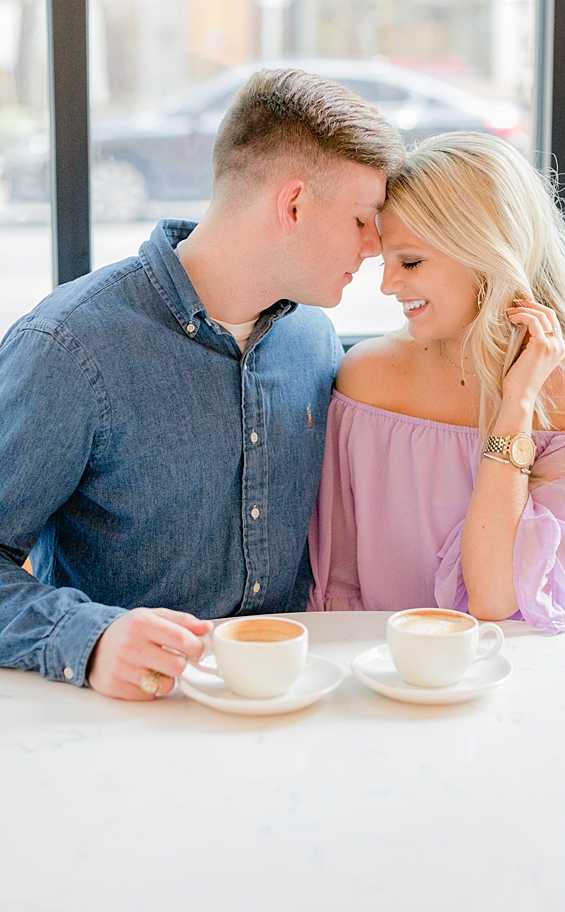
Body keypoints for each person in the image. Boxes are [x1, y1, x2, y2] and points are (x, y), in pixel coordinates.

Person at [0, 69, 404, 699]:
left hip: (294, 705)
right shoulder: (70, 347)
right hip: (131, 719)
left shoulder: (315, 342)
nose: (377, 246)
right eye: (362, 219)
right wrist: (92, 637)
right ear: (292, 205)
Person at [309, 132, 565, 647]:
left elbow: (497, 598)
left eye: (410, 262)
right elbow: (336, 586)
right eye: (385, 262)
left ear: (485, 255)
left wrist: (516, 405)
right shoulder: (368, 379)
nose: (388, 286)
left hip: (555, 685)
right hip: (389, 680)